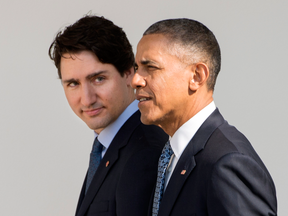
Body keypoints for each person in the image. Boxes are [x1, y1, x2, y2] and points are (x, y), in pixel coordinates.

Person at [131, 18, 277, 216]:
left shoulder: (227, 163)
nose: (136, 80)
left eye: (151, 68)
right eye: (137, 68)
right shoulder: (171, 156)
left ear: (197, 76)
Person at [48, 15, 168, 216]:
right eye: (73, 84)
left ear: (129, 73)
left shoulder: (144, 153)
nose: (86, 99)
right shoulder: (107, 145)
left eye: (98, 79)